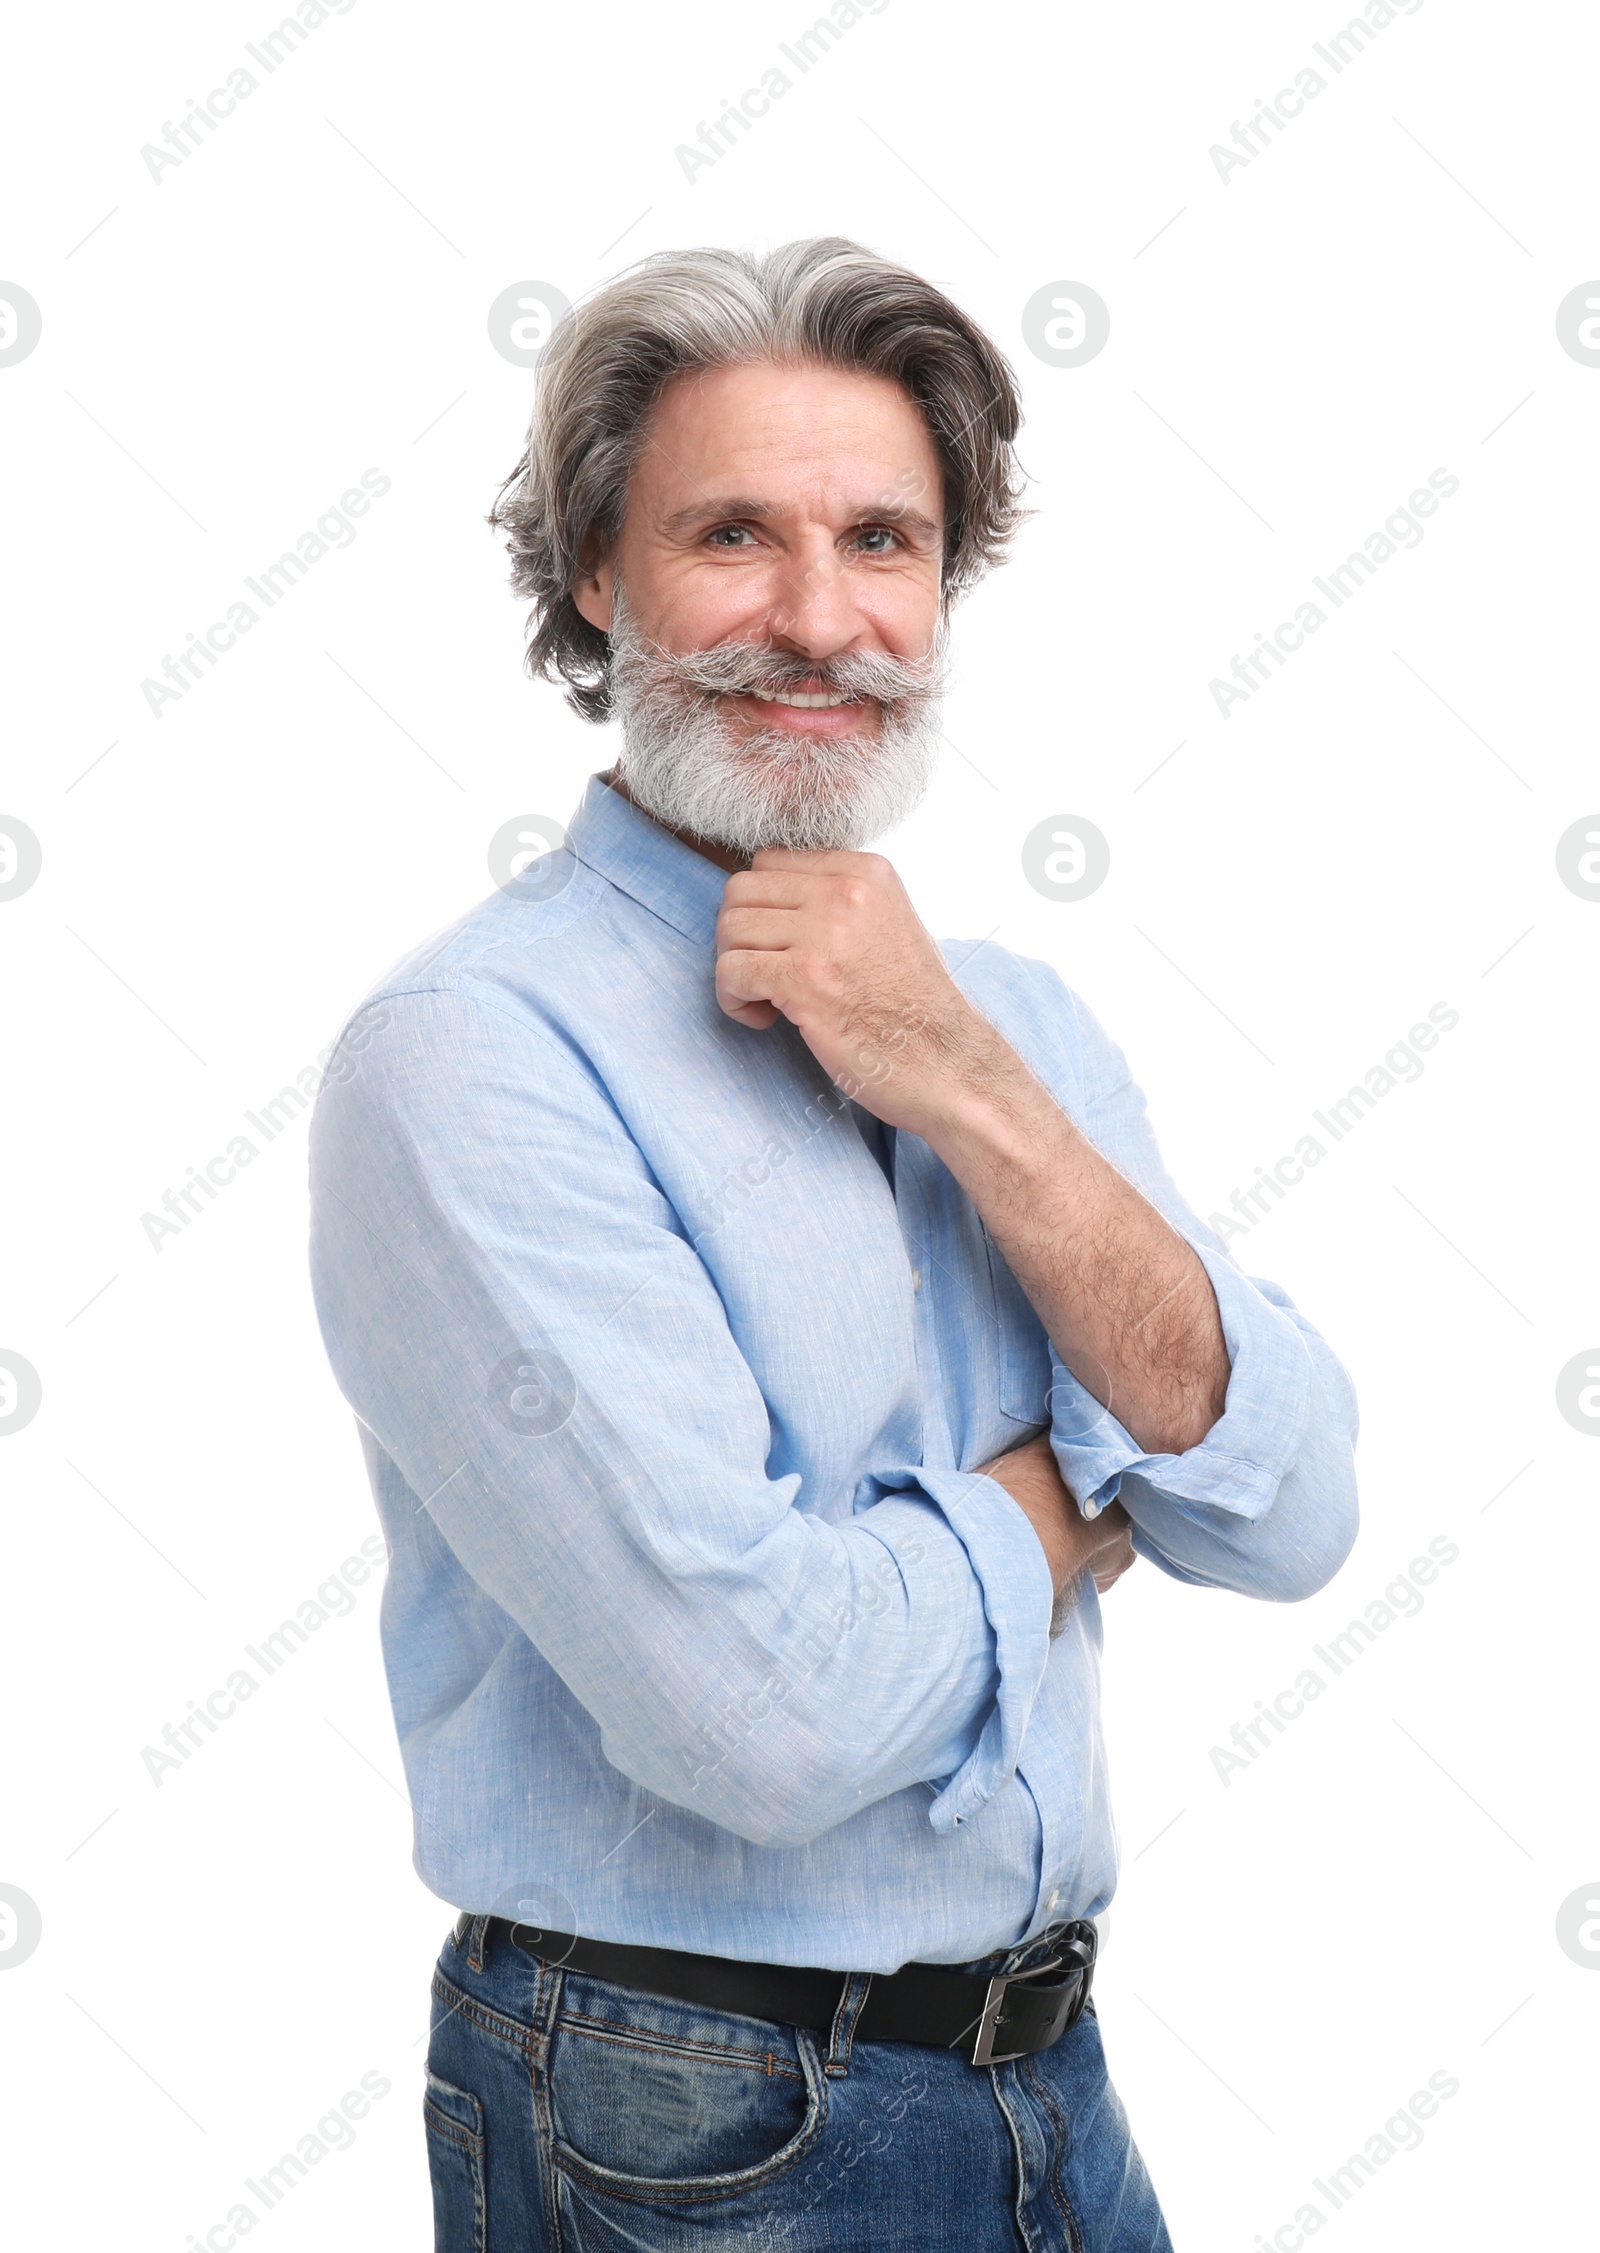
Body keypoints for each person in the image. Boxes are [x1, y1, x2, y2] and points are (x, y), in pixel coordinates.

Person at [308, 237, 1359, 2252]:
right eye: (729, 533)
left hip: (1050, 2079)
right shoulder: (471, 1059)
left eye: (880, 540)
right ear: (596, 575)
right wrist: (1057, 1504)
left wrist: (959, 1081)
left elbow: (1287, 1503)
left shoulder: (1012, 1025)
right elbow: (751, 1718)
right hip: (681, 2117)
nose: (816, 619)